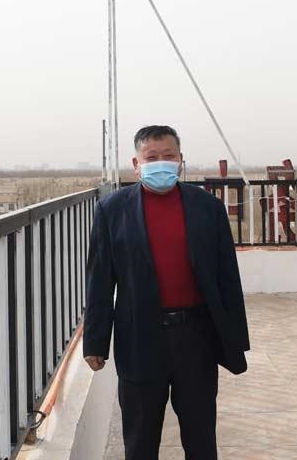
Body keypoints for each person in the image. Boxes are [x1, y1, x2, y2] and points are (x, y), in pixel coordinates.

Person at [83, 125, 250, 460]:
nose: (161, 162)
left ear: (180, 160)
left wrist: (235, 337)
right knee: (140, 441)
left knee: (201, 437)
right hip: (140, 340)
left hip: (196, 338)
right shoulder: (112, 211)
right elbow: (99, 281)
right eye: (152, 157)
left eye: (168, 155)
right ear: (136, 164)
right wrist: (95, 341)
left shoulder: (207, 208)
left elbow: (227, 278)